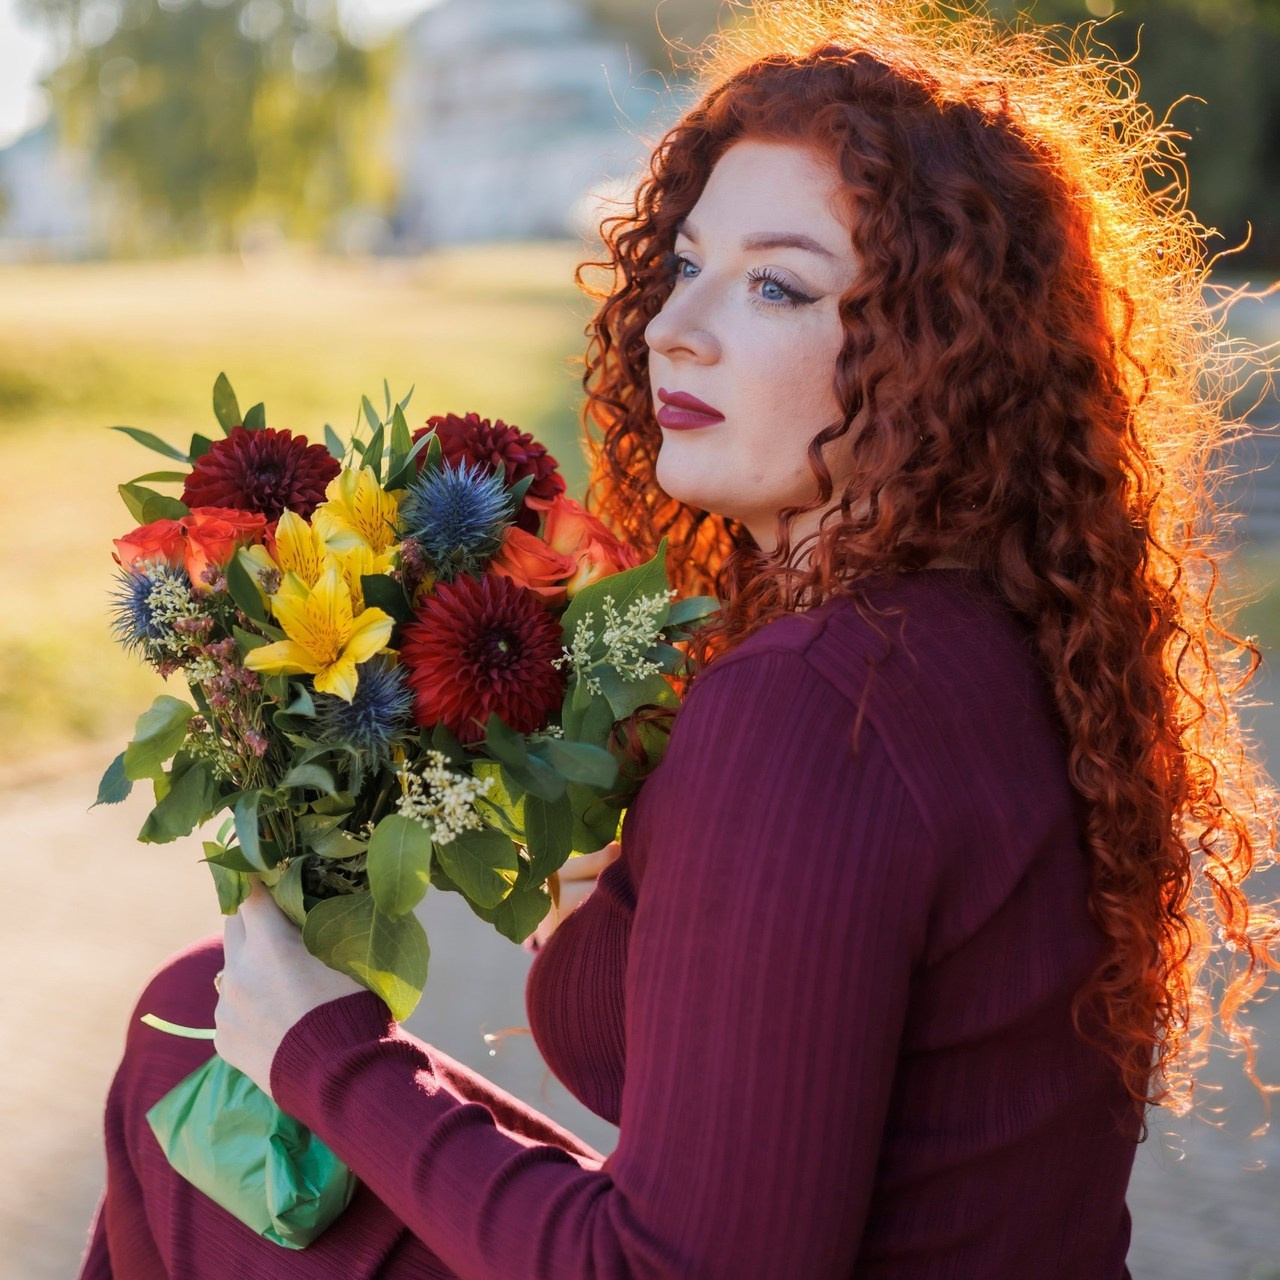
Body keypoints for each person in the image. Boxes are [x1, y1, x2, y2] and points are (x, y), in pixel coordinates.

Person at [80, 2, 1277, 1277]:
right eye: (687, 262)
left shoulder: (816, 703)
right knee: (193, 1022)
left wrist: (323, 1056)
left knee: (186, 1060)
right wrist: (622, 901)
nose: (668, 327)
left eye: (775, 284)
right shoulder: (988, 643)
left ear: (943, 358)